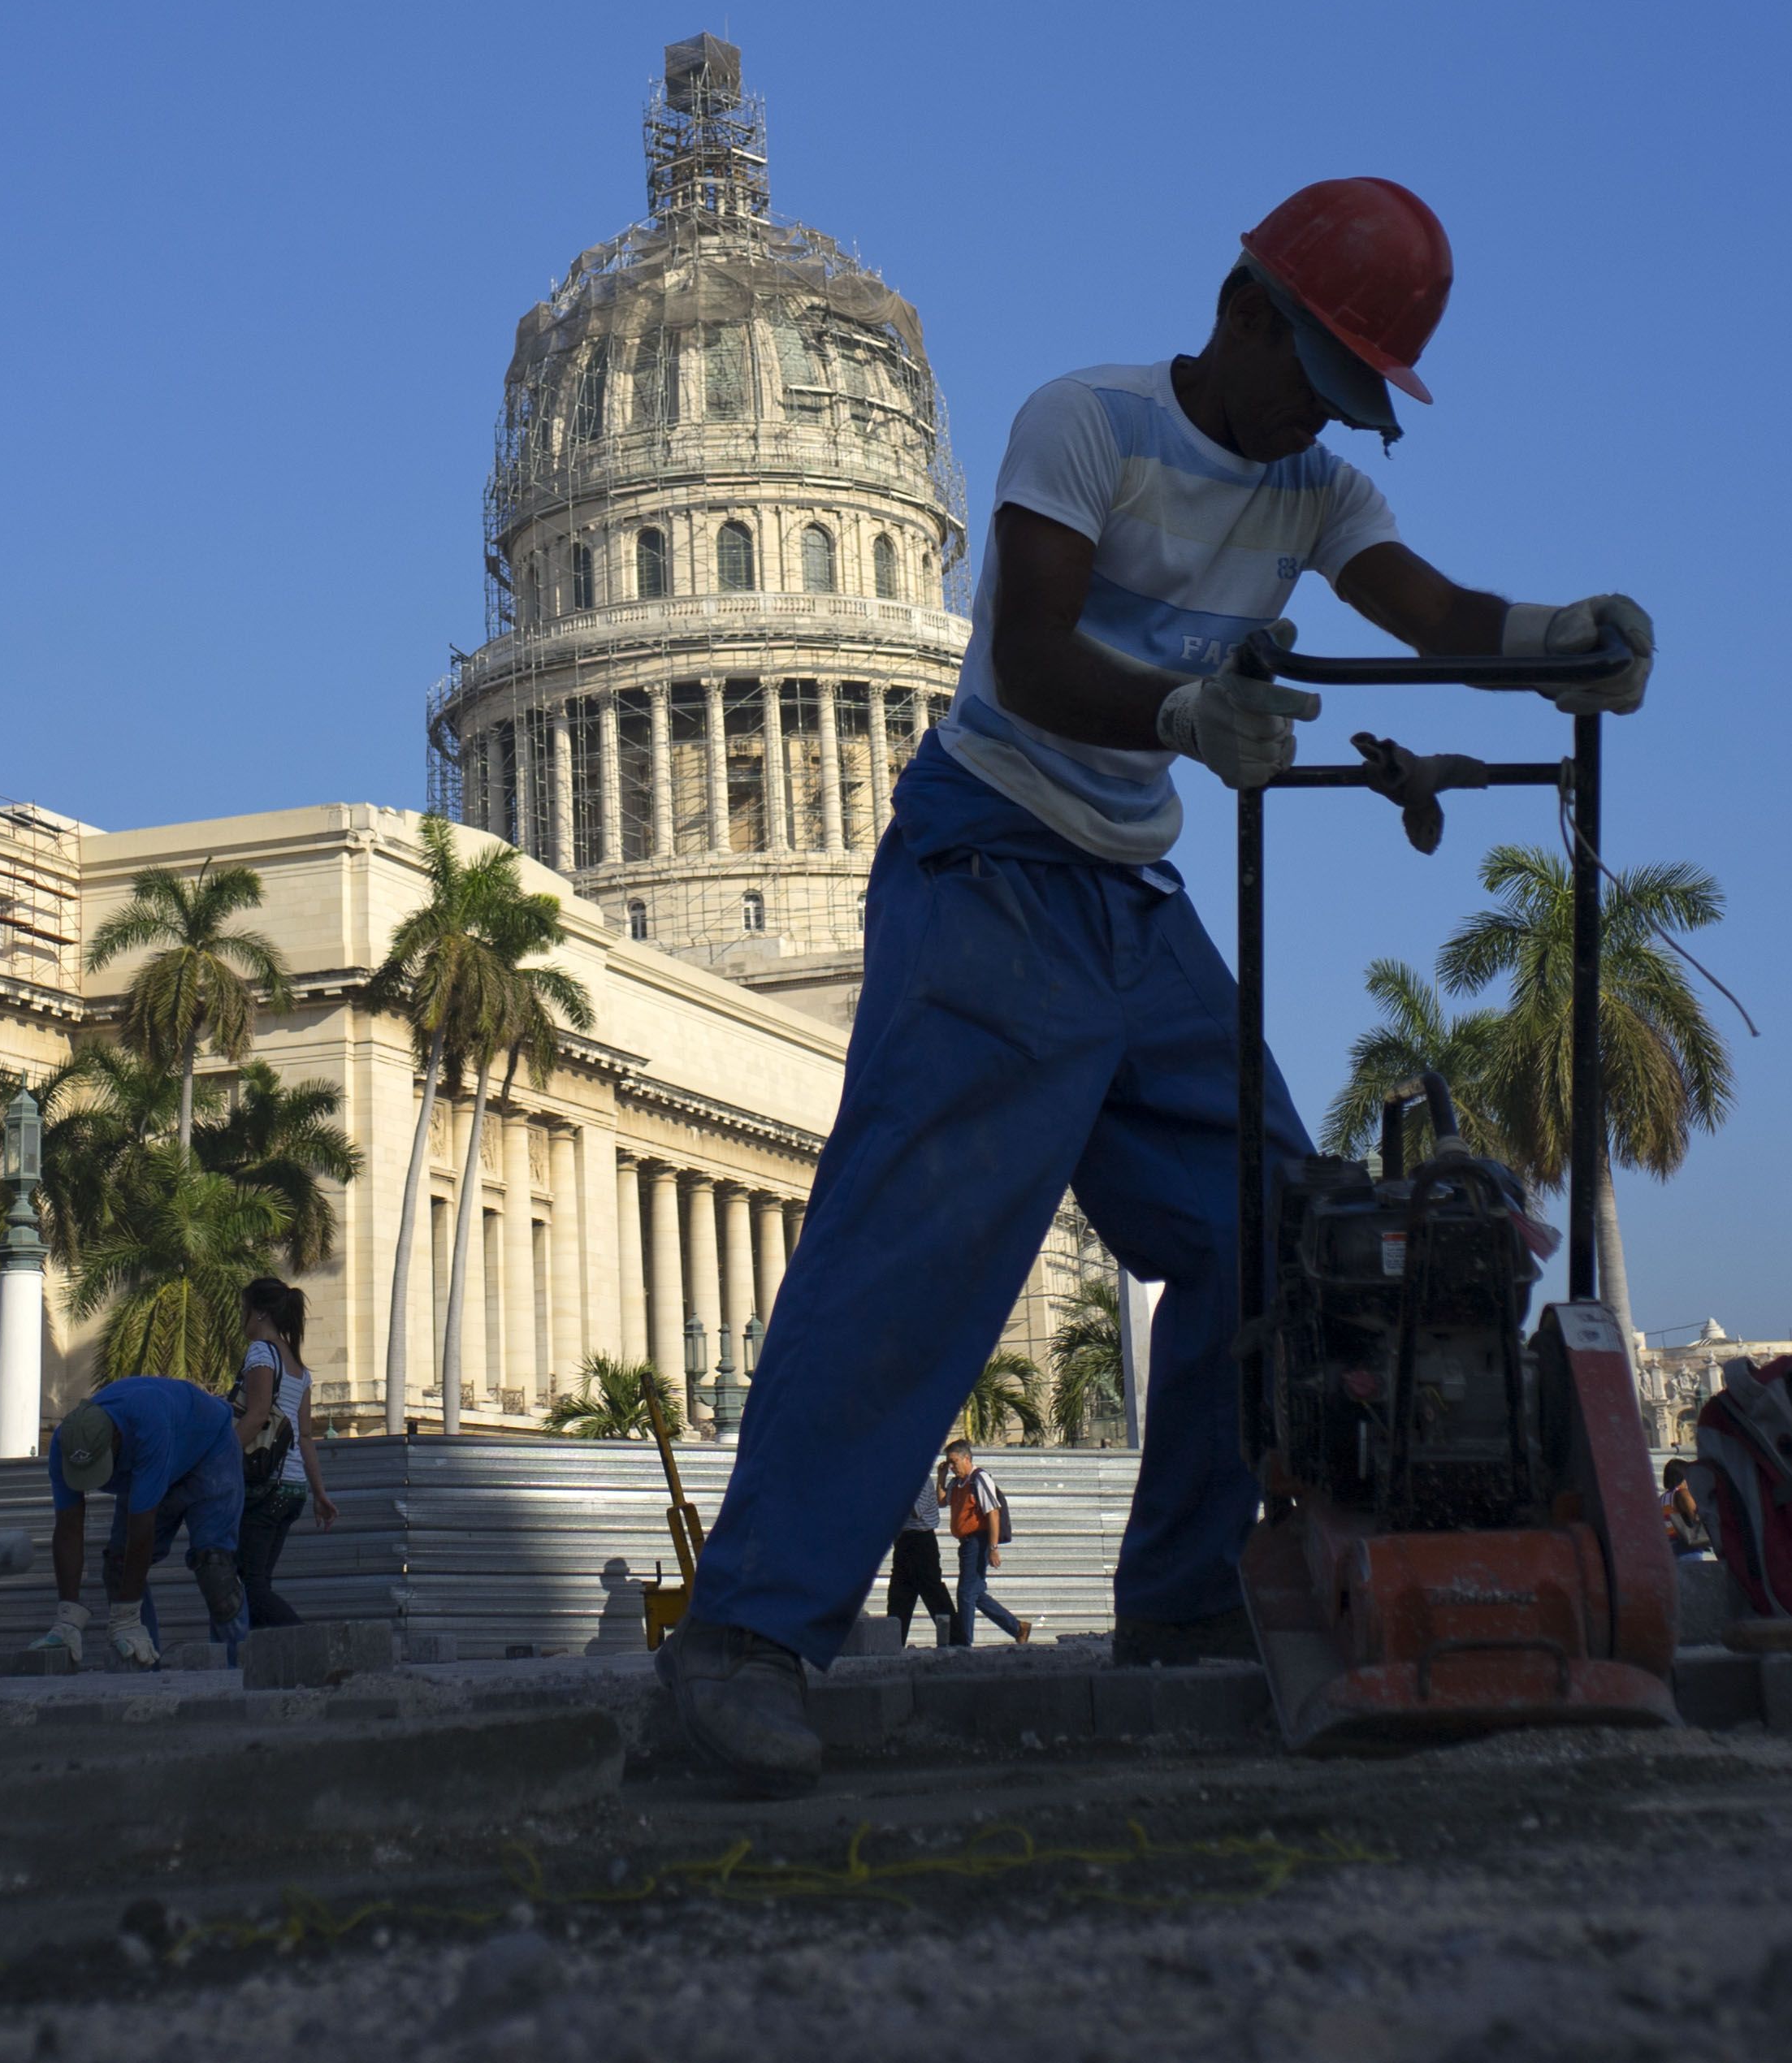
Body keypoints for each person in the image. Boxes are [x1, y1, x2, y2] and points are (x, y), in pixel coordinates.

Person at [656, 179, 1653, 1795]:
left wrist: (1563, 640)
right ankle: (744, 1642)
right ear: (1242, 311)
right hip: (991, 862)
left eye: (1349, 404)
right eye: (1312, 382)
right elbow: (1033, 654)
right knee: (921, 1240)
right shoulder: (1087, 426)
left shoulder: (1314, 488)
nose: (1314, 427)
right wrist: (1185, 716)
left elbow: (1433, 613)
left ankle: (1184, 1599)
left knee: (1269, 1224)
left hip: (1130, 894)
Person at [32, 1374, 249, 1667]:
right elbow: (68, 1529)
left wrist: (126, 1616)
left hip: (209, 1451)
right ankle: (144, 1672)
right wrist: (67, 1617)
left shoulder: (148, 1423)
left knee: (215, 1569)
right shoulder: (65, 1444)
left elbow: (142, 1528)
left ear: (116, 1441)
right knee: (118, 1567)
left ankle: (238, 1669)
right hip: (154, 1455)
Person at [229, 1278, 337, 1630]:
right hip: (292, 1489)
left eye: (244, 1309)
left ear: (260, 1312)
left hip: (265, 1488)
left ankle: (306, 1643)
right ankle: (269, 1653)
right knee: (259, 1581)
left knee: (248, 1585)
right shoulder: (298, 1367)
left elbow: (257, 1415)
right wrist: (319, 1494)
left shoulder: (261, 1352)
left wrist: (219, 1457)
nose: (242, 1317)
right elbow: (305, 1436)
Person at [941, 1442, 1032, 1647]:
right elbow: (941, 1501)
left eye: (954, 1462)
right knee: (975, 1593)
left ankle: (964, 1643)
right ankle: (1018, 1628)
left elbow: (993, 1513)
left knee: (966, 1594)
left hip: (978, 1541)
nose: (952, 1467)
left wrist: (993, 1548)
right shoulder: (957, 1483)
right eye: (949, 1463)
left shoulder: (979, 1479)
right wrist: (941, 1476)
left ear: (966, 1459)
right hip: (966, 1543)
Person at [885, 1497, 960, 1649]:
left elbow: (916, 1511)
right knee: (899, 1595)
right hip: (904, 1540)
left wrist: (901, 1491)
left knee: (934, 1593)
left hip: (921, 1540)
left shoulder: (921, 1484)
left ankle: (956, 1640)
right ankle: (893, 1644)